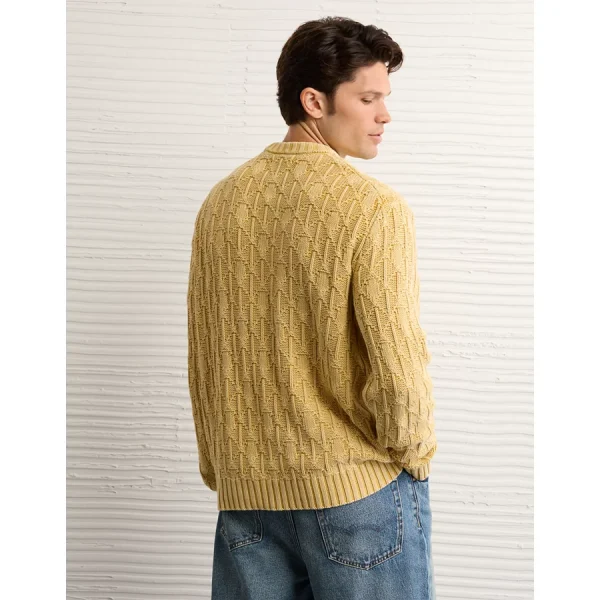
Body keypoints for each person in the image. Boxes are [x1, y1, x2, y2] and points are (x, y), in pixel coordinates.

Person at [187, 16, 438, 600]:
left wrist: (221, 467)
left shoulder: (221, 203)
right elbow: (396, 362)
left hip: (247, 497)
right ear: (314, 101)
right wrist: (414, 453)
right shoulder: (372, 208)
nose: (384, 115)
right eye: (368, 98)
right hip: (358, 493)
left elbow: (205, 356)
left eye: (385, 98)